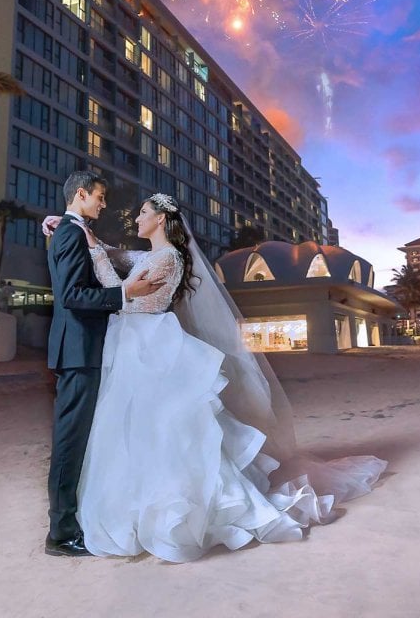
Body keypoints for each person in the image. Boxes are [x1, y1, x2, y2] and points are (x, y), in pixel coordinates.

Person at [40, 192, 386, 562]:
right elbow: (117, 255)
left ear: (160, 219)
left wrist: (95, 253)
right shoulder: (148, 256)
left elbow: (134, 298)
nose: (136, 219)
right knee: (136, 427)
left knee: (164, 427)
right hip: (132, 345)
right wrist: (78, 232)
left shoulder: (170, 258)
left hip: (151, 344)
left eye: (143, 213)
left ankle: (178, 509)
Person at [43, 172, 165, 558]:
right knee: (69, 443)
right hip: (78, 351)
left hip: (85, 349)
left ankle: (73, 522)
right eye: (100, 196)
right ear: (81, 194)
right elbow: (73, 295)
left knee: (80, 441)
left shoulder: (70, 230)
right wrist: (126, 294)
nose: (103, 203)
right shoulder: (69, 232)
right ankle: (60, 535)